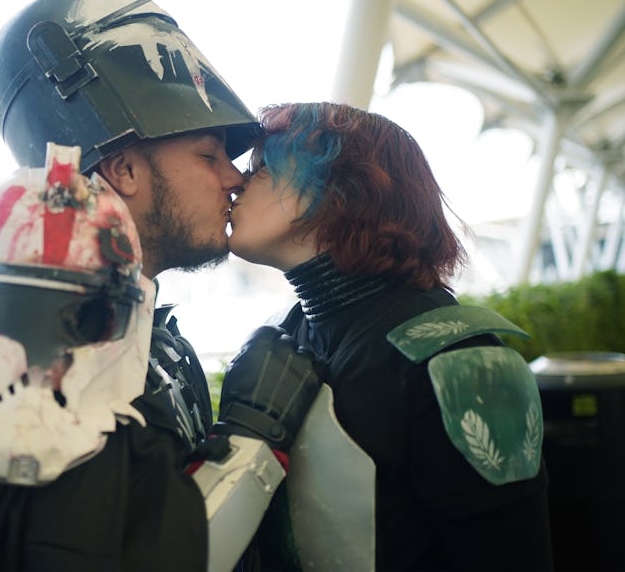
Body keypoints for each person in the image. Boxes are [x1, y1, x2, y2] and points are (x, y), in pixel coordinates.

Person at [0, 0, 324, 571]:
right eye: (209, 155)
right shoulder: (15, 317)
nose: (235, 177)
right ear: (122, 167)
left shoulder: (138, 327)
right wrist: (252, 437)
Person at [227, 101, 554, 571]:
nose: (239, 181)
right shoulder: (289, 332)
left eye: (263, 167)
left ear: (342, 189)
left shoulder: (461, 358)